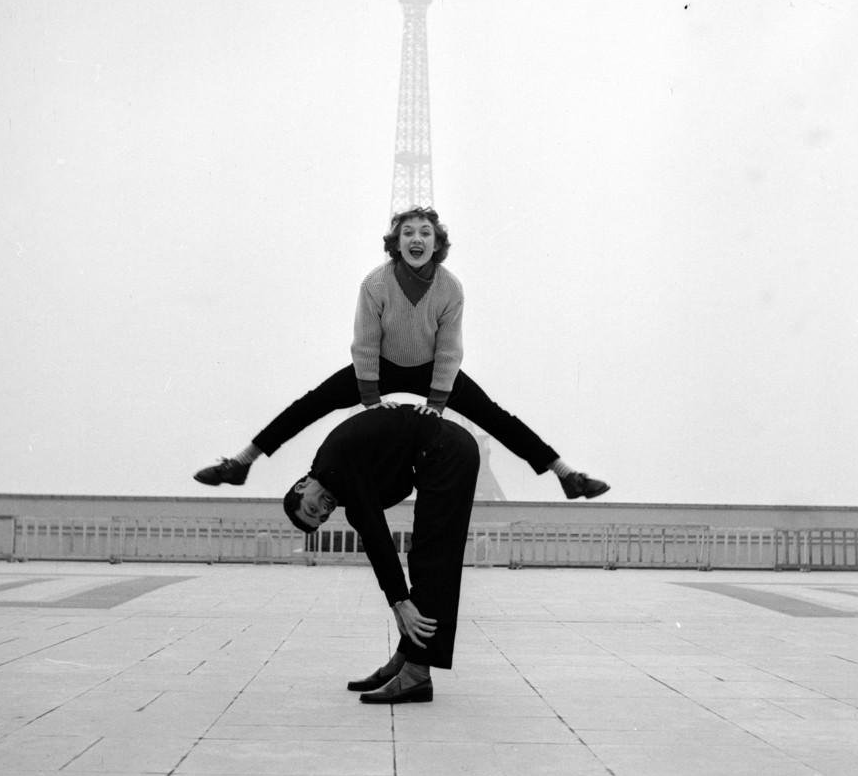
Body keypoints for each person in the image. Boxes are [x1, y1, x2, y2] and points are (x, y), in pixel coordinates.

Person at [195, 207, 608, 500]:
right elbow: (364, 344)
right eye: (408, 232)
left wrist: (437, 402)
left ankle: (566, 475)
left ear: (437, 243)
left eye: (425, 233)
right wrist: (371, 400)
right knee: (312, 403)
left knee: (496, 417)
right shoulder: (376, 284)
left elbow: (449, 350)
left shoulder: (450, 288)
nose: (417, 238)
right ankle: (242, 462)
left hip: (432, 370)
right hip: (381, 367)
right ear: (396, 243)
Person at [283, 402, 479, 704]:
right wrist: (397, 601)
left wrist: (400, 602)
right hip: (442, 450)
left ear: (302, 485)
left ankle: (416, 675)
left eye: (313, 506)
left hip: (446, 450)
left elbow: (377, 535)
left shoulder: (336, 465)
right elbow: (385, 501)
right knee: (425, 558)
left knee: (433, 561)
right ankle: (403, 660)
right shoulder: (334, 470)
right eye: (321, 516)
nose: (324, 509)